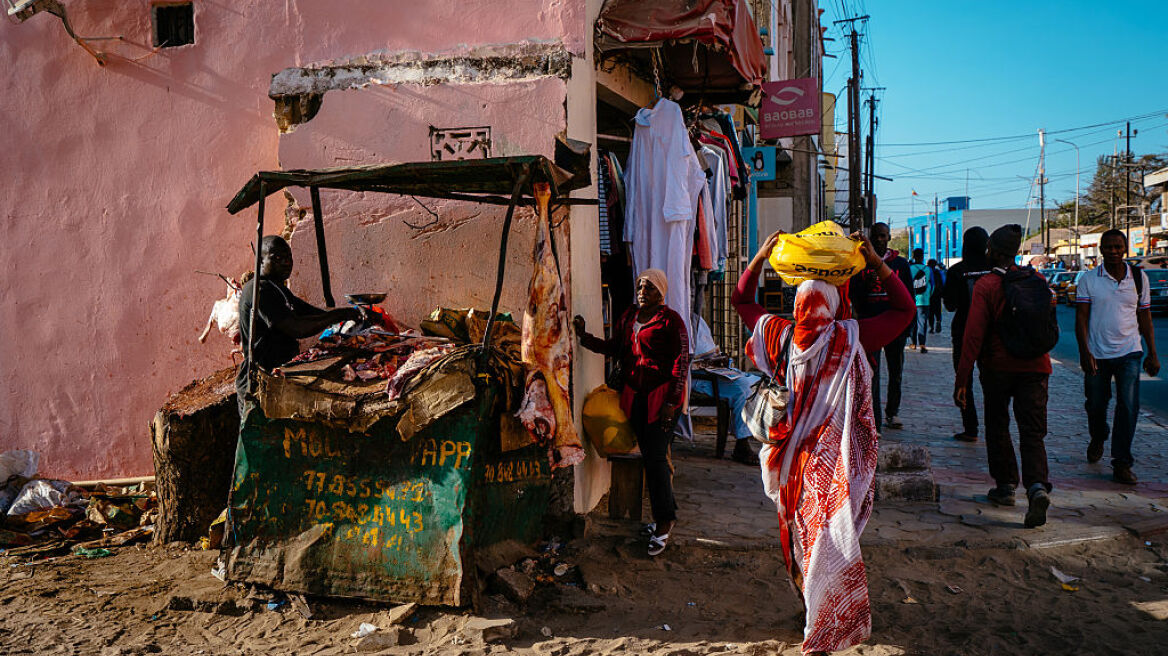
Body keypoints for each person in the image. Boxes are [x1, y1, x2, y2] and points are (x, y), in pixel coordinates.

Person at [733, 231, 913, 656]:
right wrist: (876, 262)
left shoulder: (778, 335)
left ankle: (809, 605)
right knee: (828, 536)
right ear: (834, 303)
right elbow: (905, 310)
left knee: (798, 534)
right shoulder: (851, 337)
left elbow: (742, 301)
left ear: (798, 304)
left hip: (790, 460)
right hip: (832, 465)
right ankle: (821, 611)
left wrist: (760, 256)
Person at [574, 269, 688, 557]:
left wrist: (671, 402)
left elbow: (681, 361)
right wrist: (583, 337)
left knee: (656, 459)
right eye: (640, 286)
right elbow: (615, 348)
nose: (642, 292)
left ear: (661, 293)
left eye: (648, 288)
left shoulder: (670, 321)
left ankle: (665, 521)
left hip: (662, 400)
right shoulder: (628, 317)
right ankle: (662, 517)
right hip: (635, 397)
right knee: (650, 458)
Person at [953, 225, 1053, 528]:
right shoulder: (1037, 280)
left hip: (997, 368)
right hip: (1036, 367)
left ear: (993, 251)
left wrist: (962, 378)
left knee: (998, 426)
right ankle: (1036, 488)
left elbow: (973, 336)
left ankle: (1006, 487)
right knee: (1032, 433)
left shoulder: (987, 285)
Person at [236, 236, 364, 416]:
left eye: (289, 257)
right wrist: (337, 315)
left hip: (278, 375)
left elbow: (308, 313)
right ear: (260, 260)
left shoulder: (278, 288)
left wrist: (348, 314)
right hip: (259, 383)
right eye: (277, 258)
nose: (287, 262)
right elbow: (296, 327)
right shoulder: (259, 289)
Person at [1074, 229, 1160, 485]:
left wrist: (1152, 352)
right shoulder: (1088, 279)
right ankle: (1098, 436)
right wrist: (1084, 352)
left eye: (1117, 247)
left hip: (1130, 352)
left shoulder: (1138, 277)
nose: (1113, 251)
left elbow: (1145, 316)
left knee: (1128, 406)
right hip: (1097, 354)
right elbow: (1081, 318)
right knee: (1096, 405)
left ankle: (1122, 462)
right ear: (1100, 250)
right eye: (1108, 247)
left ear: (1125, 249)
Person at [848, 221, 913, 430]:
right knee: (870, 374)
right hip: (871, 326)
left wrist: (908, 328)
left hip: (895, 326)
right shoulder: (861, 263)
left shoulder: (900, 265)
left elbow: (909, 295)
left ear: (889, 238)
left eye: (883, 236)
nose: (879, 240)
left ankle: (892, 412)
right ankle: (873, 418)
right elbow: (854, 295)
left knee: (896, 372)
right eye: (876, 235)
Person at [688, 313, 762, 465]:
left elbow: (707, 349)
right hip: (699, 378)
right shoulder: (678, 320)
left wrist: (716, 359)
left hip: (710, 371)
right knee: (742, 390)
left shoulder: (696, 319)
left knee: (758, 382)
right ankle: (742, 443)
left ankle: (750, 433)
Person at [942, 227, 992, 442]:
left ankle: (970, 428)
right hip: (991, 333)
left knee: (965, 380)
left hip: (963, 330)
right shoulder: (995, 269)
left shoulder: (956, 271)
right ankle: (995, 427)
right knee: (991, 382)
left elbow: (950, 305)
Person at [908, 249, 932, 352]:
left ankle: (913, 343)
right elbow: (932, 285)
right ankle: (922, 344)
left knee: (913, 322)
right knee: (923, 322)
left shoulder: (909, 268)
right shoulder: (928, 269)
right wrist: (928, 295)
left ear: (913, 256)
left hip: (912, 300)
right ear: (923, 257)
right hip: (924, 300)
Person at [927, 259, 946, 333]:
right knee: (938, 309)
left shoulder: (927, 272)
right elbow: (944, 282)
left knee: (930, 312)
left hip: (930, 294)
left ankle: (931, 327)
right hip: (938, 294)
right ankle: (938, 321)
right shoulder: (939, 272)